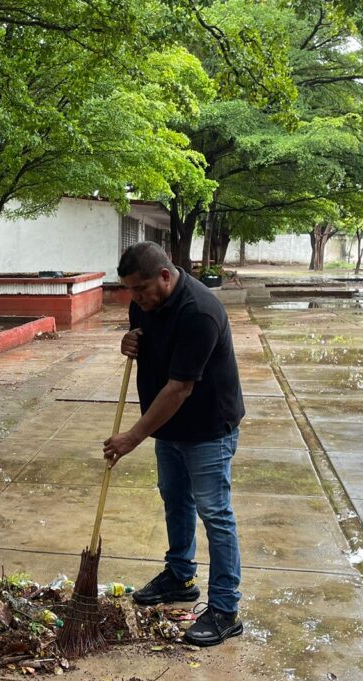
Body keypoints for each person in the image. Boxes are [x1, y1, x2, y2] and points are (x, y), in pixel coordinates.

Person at [102, 241, 245, 647]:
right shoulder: (143, 303)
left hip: (207, 427)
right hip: (168, 426)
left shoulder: (199, 312)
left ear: (165, 275)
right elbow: (148, 345)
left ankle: (225, 609)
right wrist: (130, 341)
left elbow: (180, 388)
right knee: (174, 498)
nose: (136, 298)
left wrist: (132, 436)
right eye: (130, 290)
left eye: (142, 289)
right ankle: (180, 577)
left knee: (214, 512)